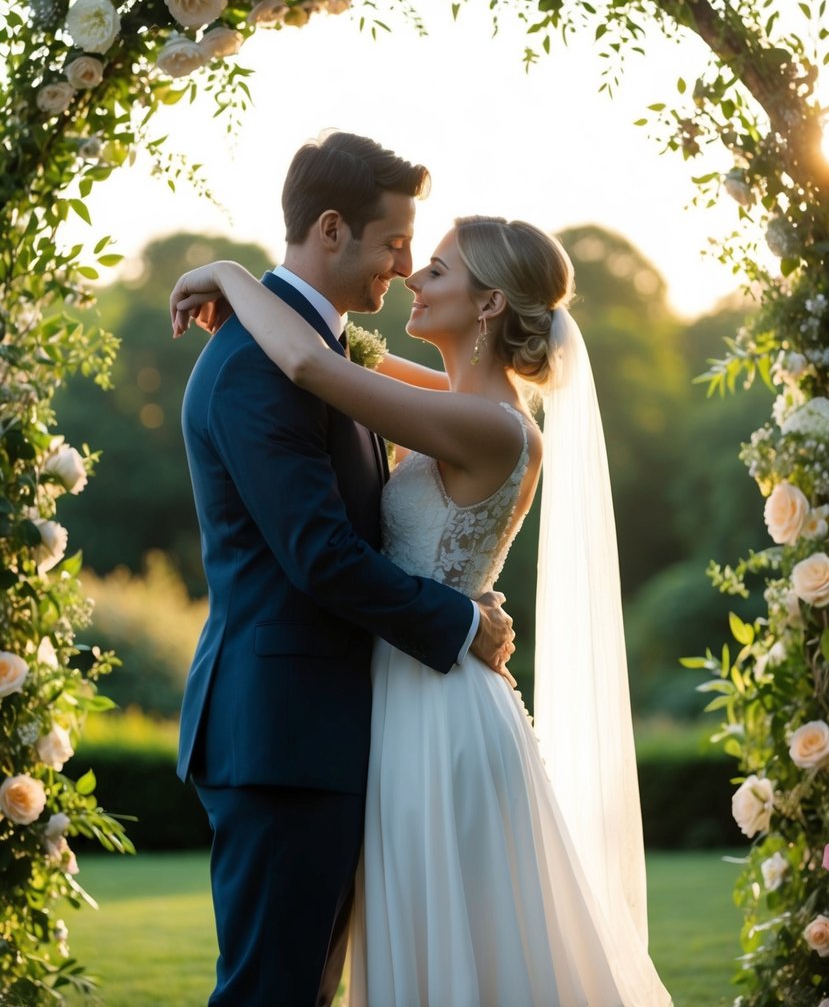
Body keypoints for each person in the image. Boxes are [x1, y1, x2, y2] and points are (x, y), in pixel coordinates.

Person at [171, 212, 673, 1006]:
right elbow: (345, 352)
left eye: (436, 269)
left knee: (453, 949)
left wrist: (233, 276)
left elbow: (308, 363)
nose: (412, 275)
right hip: (408, 692)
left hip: (437, 710)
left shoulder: (485, 423)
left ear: (488, 306)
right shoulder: (463, 399)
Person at [173, 131, 515, 1007]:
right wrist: (460, 620)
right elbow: (319, 555)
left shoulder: (322, 357)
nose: (405, 268)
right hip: (282, 734)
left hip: (325, 729)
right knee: (273, 991)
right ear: (332, 230)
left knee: (306, 987)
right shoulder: (261, 367)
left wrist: (229, 276)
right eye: (396, 241)